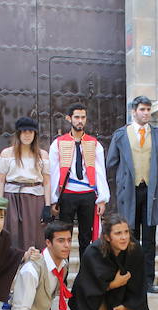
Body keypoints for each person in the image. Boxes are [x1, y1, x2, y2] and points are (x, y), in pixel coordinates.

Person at [106, 96, 158, 294]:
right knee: (129, 236)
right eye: (142, 109)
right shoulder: (121, 134)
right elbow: (111, 163)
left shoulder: (157, 134)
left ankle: (148, 281)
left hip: (151, 192)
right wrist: (119, 182)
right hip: (129, 192)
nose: (146, 113)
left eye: (148, 109)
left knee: (150, 238)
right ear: (133, 111)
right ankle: (130, 280)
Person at [48, 103, 110, 258]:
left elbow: (100, 172)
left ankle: (86, 271)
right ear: (69, 118)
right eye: (76, 117)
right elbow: (54, 172)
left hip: (88, 193)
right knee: (64, 235)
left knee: (86, 237)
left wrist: (102, 199)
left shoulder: (94, 144)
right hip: (67, 194)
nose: (80, 121)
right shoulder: (58, 143)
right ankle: (64, 270)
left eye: (83, 117)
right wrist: (53, 199)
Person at [0, 117, 51, 252]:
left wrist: (47, 206)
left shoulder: (42, 155)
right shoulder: (7, 153)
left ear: (35, 134)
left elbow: (47, 181)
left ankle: (33, 263)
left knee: (34, 235)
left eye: (30, 132)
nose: (27, 135)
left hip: (35, 199)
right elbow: (0, 180)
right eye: (24, 131)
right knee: (12, 234)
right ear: (18, 133)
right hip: (12, 198)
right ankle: (13, 262)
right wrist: (0, 203)